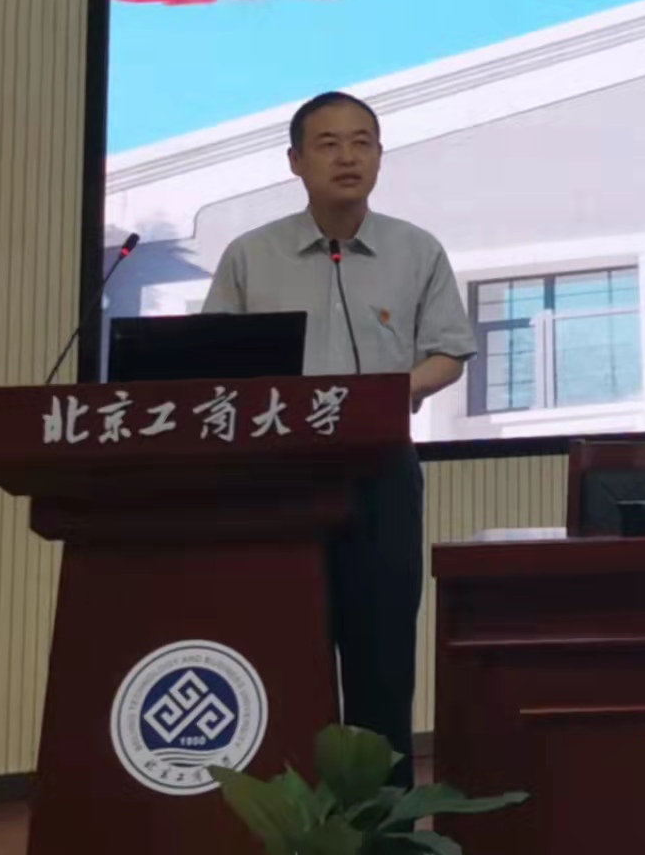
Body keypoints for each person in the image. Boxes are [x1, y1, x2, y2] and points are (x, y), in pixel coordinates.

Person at [202, 90, 475, 787]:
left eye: (362, 142)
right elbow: (212, 363)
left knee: (382, 657)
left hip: (381, 475)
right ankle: (288, 817)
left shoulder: (416, 250)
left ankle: (384, 824)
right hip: (277, 481)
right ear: (295, 161)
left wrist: (396, 391)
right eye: (327, 144)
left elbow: (448, 351)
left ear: (379, 156)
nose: (347, 157)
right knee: (285, 654)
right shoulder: (250, 255)